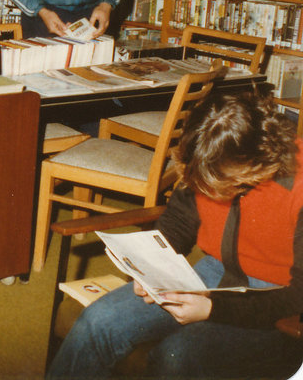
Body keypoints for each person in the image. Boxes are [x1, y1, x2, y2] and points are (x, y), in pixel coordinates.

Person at [49, 90, 303, 379]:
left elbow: (298, 296)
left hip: (278, 303)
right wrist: (150, 269)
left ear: (256, 166)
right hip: (214, 273)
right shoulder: (208, 153)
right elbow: (179, 221)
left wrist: (213, 309)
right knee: (98, 321)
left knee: (177, 356)